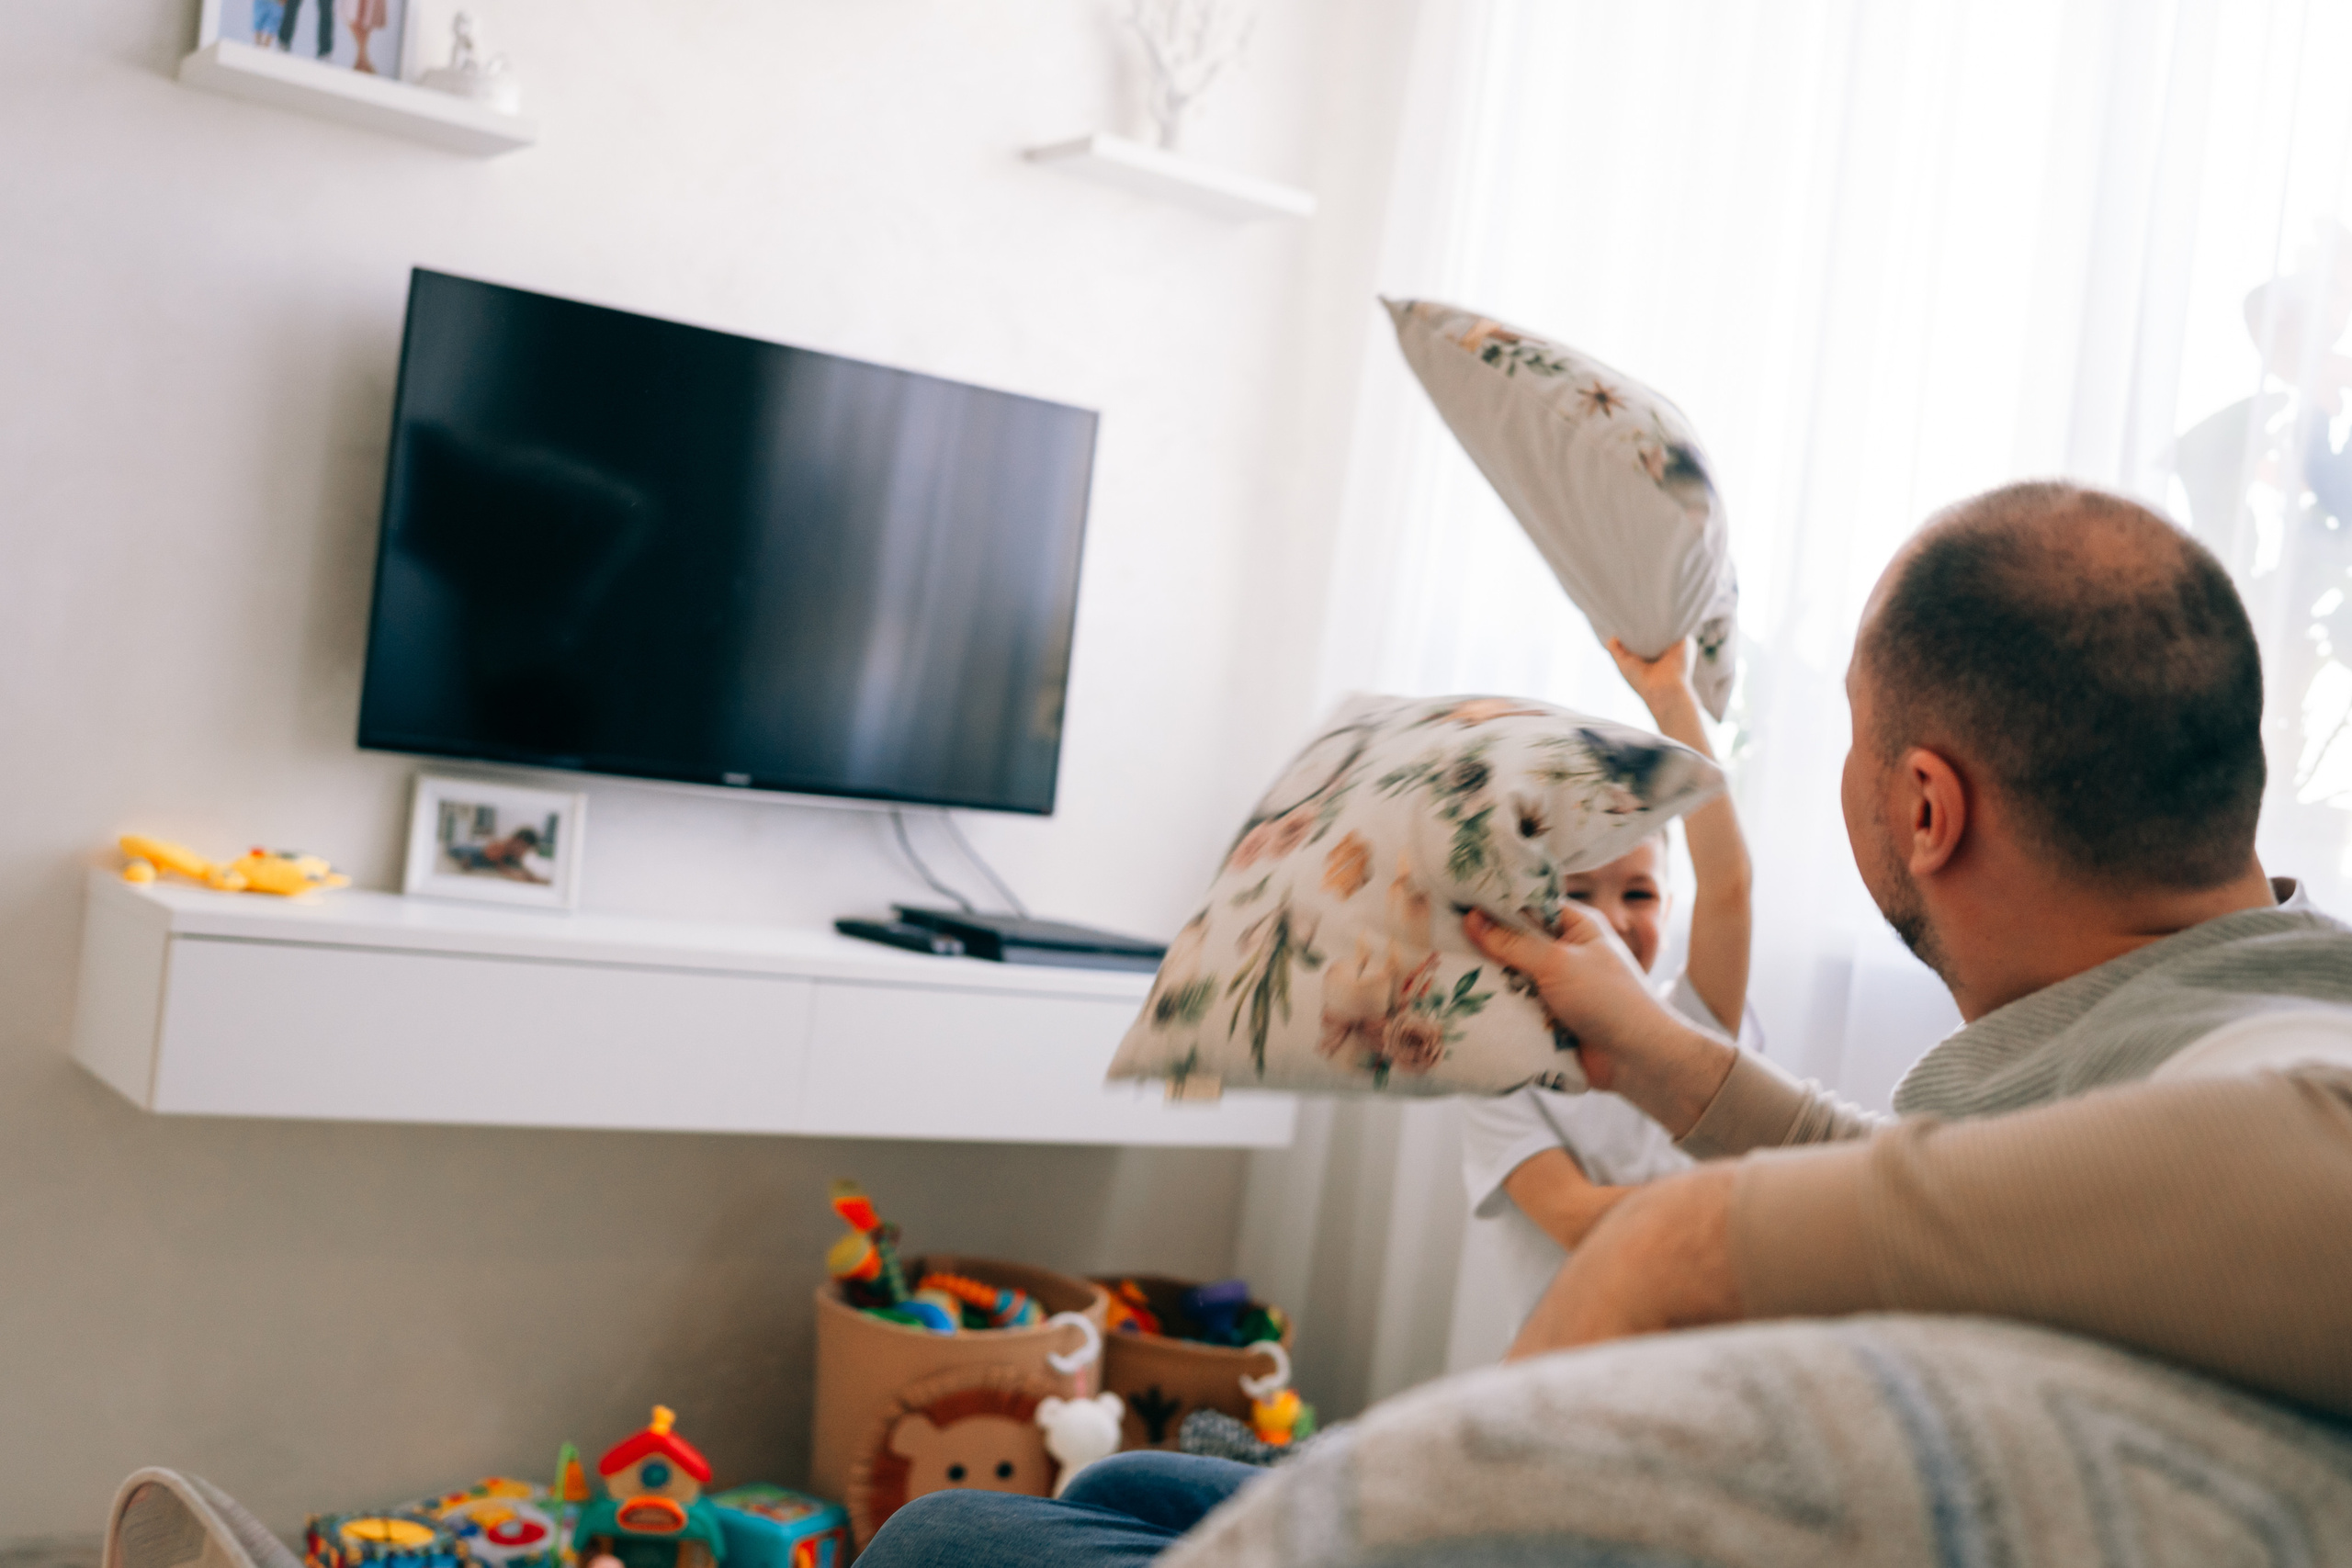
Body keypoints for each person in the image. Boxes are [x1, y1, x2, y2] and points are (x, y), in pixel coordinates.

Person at [857, 480, 2352, 1568]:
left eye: (1852, 733)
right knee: (1118, 1492)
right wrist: (1659, 1053)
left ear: (1925, 806)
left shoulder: (2284, 1059)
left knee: (947, 1537)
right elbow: (1971, 1193)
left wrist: (1683, 1240)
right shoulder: (2197, 1012)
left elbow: (2317, 1154)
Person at [1456, 634, 1759, 1335]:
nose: (1612, 921)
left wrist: (1671, 697)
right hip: (1570, 1361)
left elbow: (1730, 884)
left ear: (1670, 906)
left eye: (1640, 894)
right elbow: (1574, 1216)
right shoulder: (1497, 1069)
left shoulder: (1693, 1022)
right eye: (1579, 894)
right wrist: (1761, 1216)